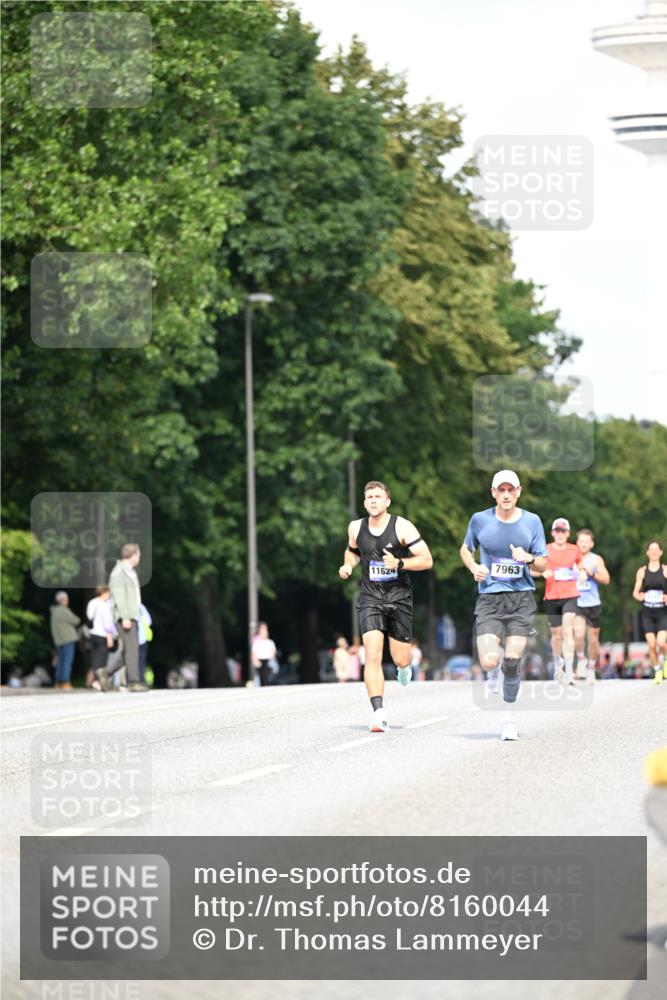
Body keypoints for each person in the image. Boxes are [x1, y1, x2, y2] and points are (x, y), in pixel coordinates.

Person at [459, 469, 547, 741]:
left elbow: (543, 565)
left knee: (512, 660)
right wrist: (473, 565)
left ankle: (508, 720)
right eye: (501, 490)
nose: (506, 495)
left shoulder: (532, 522)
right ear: (494, 493)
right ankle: (493, 671)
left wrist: (529, 558)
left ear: (519, 492)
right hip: (489, 598)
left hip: (520, 599)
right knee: (488, 661)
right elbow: (465, 548)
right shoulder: (480, 520)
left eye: (511, 490)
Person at [339, 480, 433, 733]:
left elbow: (426, 560)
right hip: (370, 598)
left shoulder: (402, 526)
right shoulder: (356, 527)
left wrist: (400, 563)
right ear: (364, 502)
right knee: (372, 655)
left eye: (378, 496)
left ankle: (404, 668)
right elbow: (353, 551)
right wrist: (348, 565)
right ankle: (378, 713)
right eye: (369, 496)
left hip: (400, 598)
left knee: (400, 658)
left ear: (387, 501)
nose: (373, 500)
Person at [531, 517, 584, 685]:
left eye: (563, 531)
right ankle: (557, 665)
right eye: (557, 531)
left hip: (570, 595)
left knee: (568, 630)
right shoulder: (545, 550)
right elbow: (531, 571)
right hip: (552, 597)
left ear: (568, 533)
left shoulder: (574, 550)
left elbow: (581, 566)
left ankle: (569, 670)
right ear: (553, 533)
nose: (560, 534)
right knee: (556, 635)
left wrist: (581, 573)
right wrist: (542, 573)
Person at [106, 543, 148, 692]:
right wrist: (125, 617)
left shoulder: (129, 571)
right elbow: (118, 597)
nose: (139, 558)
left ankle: (104, 674)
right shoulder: (119, 572)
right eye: (139, 555)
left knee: (130, 650)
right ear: (133, 555)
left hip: (132, 615)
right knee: (132, 650)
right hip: (126, 616)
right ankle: (133, 681)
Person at [573, 528, 610, 683]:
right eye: (581, 541)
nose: (583, 544)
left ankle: (591, 669)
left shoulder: (596, 559)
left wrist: (591, 572)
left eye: (587, 541)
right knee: (579, 634)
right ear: (577, 543)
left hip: (593, 603)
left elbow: (606, 579)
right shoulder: (571, 559)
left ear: (592, 544)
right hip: (576, 602)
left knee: (593, 639)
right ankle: (581, 661)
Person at [632, 540, 667, 684]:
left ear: (661, 552)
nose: (653, 552)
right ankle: (657, 670)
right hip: (647, 612)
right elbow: (635, 592)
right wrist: (639, 595)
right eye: (650, 549)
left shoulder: (665, 570)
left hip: (662, 612)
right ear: (647, 552)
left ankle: (665, 660)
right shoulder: (642, 571)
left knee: (661, 643)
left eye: (656, 549)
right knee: (652, 645)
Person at [86, 586, 117, 690]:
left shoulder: (91, 603)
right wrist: (110, 637)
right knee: (102, 660)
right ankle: (98, 681)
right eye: (108, 593)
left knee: (94, 658)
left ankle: (94, 681)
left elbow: (89, 617)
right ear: (103, 593)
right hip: (102, 635)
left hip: (92, 633)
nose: (109, 596)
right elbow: (107, 623)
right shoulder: (105, 605)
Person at [49, 591, 80, 690]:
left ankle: (58, 682)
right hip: (68, 639)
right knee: (67, 661)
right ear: (64, 600)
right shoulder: (64, 610)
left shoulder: (54, 612)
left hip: (58, 640)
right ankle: (65, 682)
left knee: (60, 662)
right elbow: (76, 620)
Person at [251, 622, 278, 687]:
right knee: (260, 677)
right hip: (260, 660)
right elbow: (253, 653)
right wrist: (255, 661)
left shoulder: (270, 642)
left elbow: (273, 652)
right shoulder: (257, 642)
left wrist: (272, 657)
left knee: (268, 675)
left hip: (268, 661)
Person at [138, 602, 153, 684]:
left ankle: (133, 679)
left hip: (136, 637)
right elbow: (149, 621)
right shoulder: (140, 606)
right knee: (141, 660)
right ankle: (141, 680)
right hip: (143, 638)